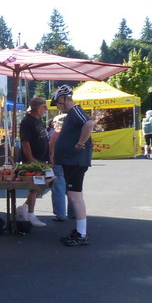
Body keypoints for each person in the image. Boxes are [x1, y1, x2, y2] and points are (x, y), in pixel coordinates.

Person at [51, 85, 95, 247]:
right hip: (72, 161)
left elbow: (89, 123)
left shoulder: (75, 110)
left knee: (75, 197)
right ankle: (80, 230)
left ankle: (82, 234)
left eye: (57, 103)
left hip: (75, 161)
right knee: (74, 196)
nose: (57, 106)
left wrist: (80, 142)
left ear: (63, 99)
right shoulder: (72, 113)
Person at [16, 97, 51, 228]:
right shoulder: (27, 121)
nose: (46, 110)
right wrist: (31, 159)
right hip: (33, 160)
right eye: (44, 107)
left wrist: (48, 156)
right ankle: (30, 214)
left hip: (40, 159)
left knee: (39, 187)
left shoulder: (38, 120)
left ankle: (24, 208)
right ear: (36, 107)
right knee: (35, 187)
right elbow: (25, 142)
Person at [47, 113, 73, 222]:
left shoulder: (57, 133)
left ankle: (60, 214)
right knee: (72, 189)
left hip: (59, 162)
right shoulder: (74, 133)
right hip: (72, 163)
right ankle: (74, 212)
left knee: (58, 189)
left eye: (55, 122)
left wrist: (51, 158)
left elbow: (51, 148)